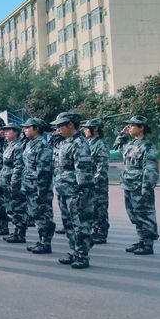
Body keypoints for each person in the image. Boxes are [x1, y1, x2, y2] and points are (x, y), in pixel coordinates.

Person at [50, 112, 94, 269]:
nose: (58, 129)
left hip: (75, 192)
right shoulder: (64, 143)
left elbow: (83, 172)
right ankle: (75, 252)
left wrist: (83, 194)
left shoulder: (79, 144)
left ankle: (83, 256)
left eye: (60, 126)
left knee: (80, 224)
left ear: (70, 125)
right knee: (68, 224)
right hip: (64, 190)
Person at [115, 116, 159, 255]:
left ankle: (148, 244)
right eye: (128, 125)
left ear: (141, 127)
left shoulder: (148, 146)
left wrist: (146, 188)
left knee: (145, 215)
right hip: (129, 184)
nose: (129, 127)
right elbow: (118, 147)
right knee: (134, 215)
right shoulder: (130, 144)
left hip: (140, 186)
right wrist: (122, 134)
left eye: (132, 125)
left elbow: (150, 169)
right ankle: (142, 240)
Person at [21, 118, 55, 254]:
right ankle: (42, 240)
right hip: (30, 186)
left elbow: (44, 171)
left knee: (43, 215)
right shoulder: (30, 143)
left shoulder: (42, 145)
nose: (24, 130)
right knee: (36, 215)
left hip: (39, 188)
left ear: (37, 129)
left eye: (27, 127)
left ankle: (46, 243)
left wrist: (42, 192)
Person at [80, 118, 109, 244]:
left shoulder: (100, 144)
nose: (84, 130)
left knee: (100, 209)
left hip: (98, 184)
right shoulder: (88, 143)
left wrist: (96, 183)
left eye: (87, 128)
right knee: (92, 208)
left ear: (95, 128)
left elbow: (101, 168)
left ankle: (101, 233)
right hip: (89, 182)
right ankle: (94, 231)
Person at [1, 123, 28, 243]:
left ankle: (20, 234)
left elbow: (18, 166)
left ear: (16, 132)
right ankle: (16, 232)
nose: (5, 133)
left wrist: (15, 182)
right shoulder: (10, 145)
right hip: (7, 180)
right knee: (11, 207)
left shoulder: (17, 147)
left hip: (14, 182)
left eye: (8, 131)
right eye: (5, 130)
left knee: (18, 208)